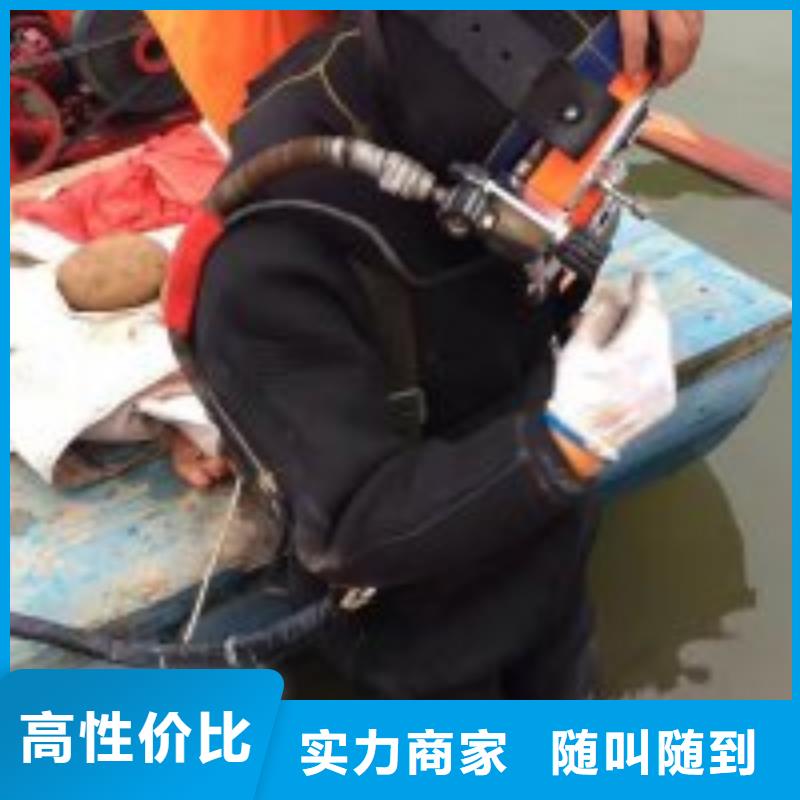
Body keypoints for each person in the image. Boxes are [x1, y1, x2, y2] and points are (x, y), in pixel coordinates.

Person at [178, 11, 703, 698]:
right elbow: (351, 531)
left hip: (547, 575)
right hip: (421, 644)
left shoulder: (498, 164)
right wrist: (563, 444)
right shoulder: (270, 257)